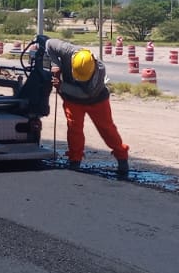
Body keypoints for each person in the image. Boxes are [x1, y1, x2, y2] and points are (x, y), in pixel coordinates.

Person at [43, 37, 130, 177]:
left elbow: (86, 94)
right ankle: (75, 160)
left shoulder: (100, 70)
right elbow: (49, 44)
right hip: (72, 101)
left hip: (96, 100)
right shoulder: (67, 50)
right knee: (74, 129)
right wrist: (56, 65)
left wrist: (61, 86)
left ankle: (122, 158)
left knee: (107, 129)